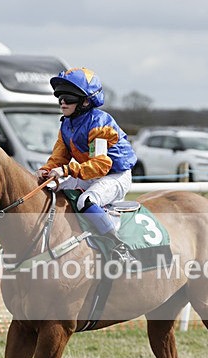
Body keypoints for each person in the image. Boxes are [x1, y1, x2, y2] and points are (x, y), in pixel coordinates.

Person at [36, 67, 137, 262]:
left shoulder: (99, 123)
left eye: (69, 98)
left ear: (85, 101)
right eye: (60, 97)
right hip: (89, 173)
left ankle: (119, 247)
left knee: (86, 201)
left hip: (115, 174)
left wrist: (66, 170)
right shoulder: (66, 124)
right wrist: (46, 170)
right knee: (51, 192)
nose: (63, 102)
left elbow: (101, 165)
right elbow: (59, 157)